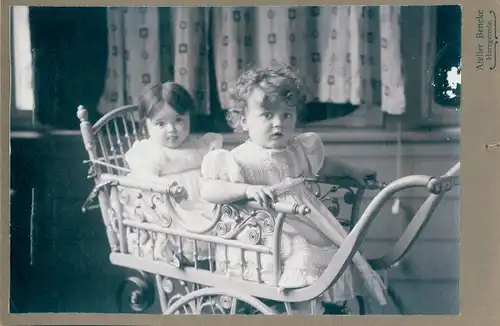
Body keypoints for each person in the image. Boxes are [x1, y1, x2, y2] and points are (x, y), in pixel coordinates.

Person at [200, 64, 387, 314]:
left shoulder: (299, 148)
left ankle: (315, 307)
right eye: (267, 115)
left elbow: (325, 164)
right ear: (244, 120)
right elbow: (209, 190)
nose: (278, 123)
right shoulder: (238, 158)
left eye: (286, 115)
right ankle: (299, 309)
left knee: (338, 250)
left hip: (306, 219)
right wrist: (245, 190)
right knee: (304, 255)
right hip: (264, 233)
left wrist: (353, 171)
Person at [122, 81, 223, 267]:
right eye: (160, 124)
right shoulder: (151, 152)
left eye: (179, 120)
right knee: (195, 227)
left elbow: (214, 165)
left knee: (226, 216)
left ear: (189, 117)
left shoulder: (198, 145)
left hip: (204, 201)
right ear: (146, 126)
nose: (172, 130)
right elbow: (144, 178)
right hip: (175, 207)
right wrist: (166, 187)